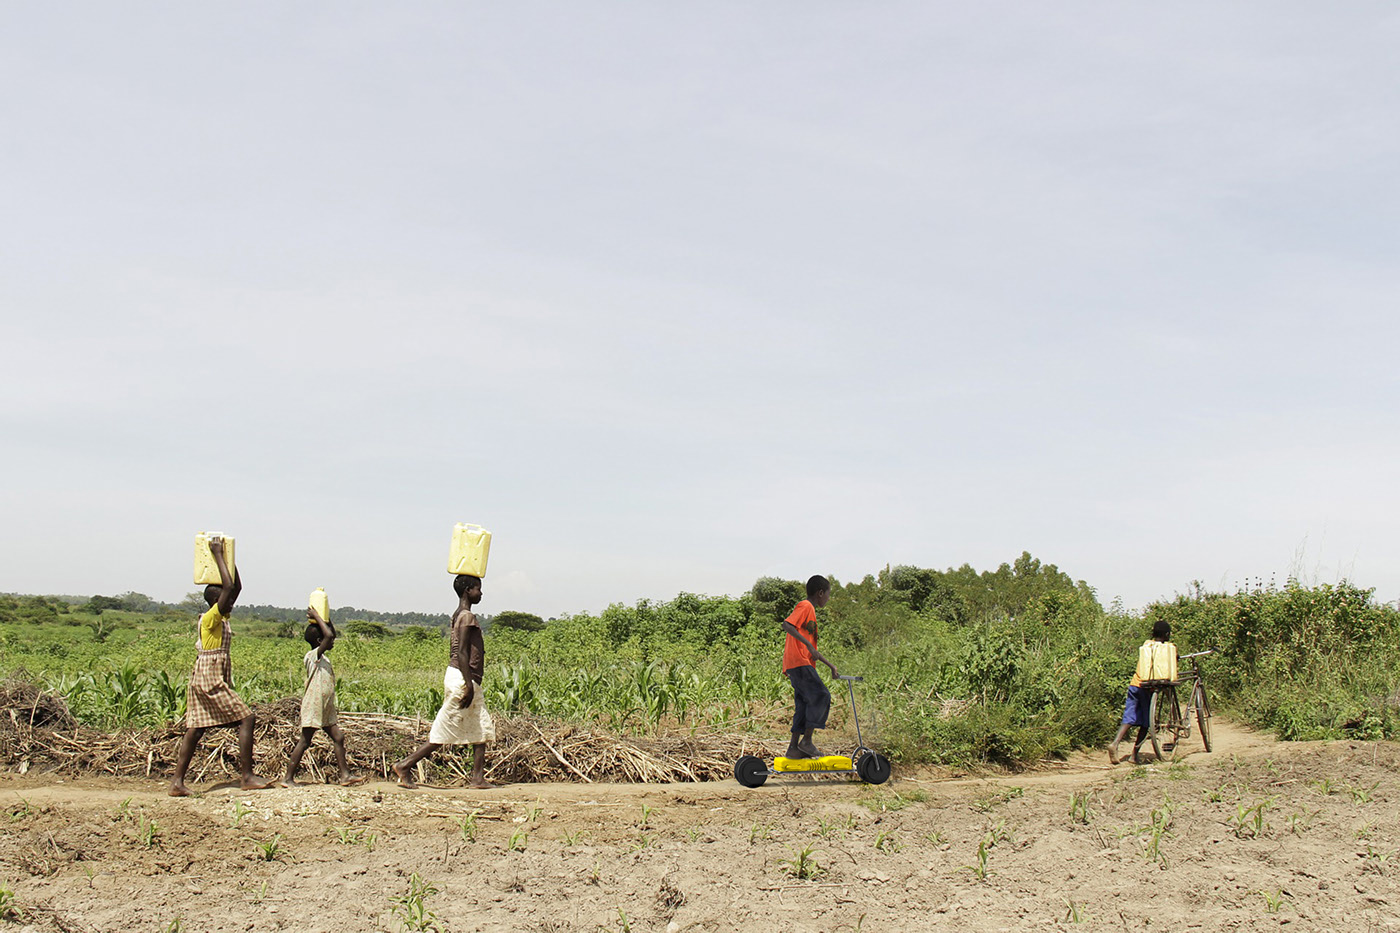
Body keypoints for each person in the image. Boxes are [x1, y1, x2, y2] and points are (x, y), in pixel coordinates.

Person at [169, 536, 274, 796]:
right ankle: (247, 776)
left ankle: (177, 784)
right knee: (246, 718)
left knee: (196, 728)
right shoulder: (210, 618)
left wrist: (230, 557)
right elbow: (228, 587)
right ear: (218, 602)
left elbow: (235, 587)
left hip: (208, 675)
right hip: (209, 677)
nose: (231, 604)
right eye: (226, 601)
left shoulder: (221, 615)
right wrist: (217, 554)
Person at [393, 574, 496, 789]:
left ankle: (478, 778)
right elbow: (462, 653)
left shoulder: (458, 614)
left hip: (463, 676)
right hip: (463, 677)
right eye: (478, 588)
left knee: (480, 725)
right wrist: (468, 685)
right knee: (444, 730)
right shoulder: (467, 617)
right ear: (468, 590)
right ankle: (405, 765)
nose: (481, 593)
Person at [281, 603, 367, 787]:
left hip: (325, 705)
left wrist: (326, 618)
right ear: (320, 641)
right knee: (305, 741)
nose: (333, 640)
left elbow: (330, 634)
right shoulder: (313, 656)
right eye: (328, 639)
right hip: (314, 704)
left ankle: (345, 776)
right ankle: (288, 778)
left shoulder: (323, 656)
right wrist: (318, 617)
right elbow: (329, 636)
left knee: (338, 738)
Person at [781, 575, 839, 759]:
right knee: (821, 695)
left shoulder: (810, 612)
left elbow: (811, 649)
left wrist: (830, 666)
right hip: (799, 663)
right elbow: (787, 625)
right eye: (828, 594)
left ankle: (793, 748)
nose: (828, 598)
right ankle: (806, 741)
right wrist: (807, 644)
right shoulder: (806, 606)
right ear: (820, 593)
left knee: (803, 704)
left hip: (798, 664)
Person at [1109, 619, 1178, 765]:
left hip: (1135, 684)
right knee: (1146, 724)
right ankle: (1134, 755)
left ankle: (1115, 743)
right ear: (1166, 634)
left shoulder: (1147, 645)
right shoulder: (1166, 648)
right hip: (1148, 689)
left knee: (1129, 717)